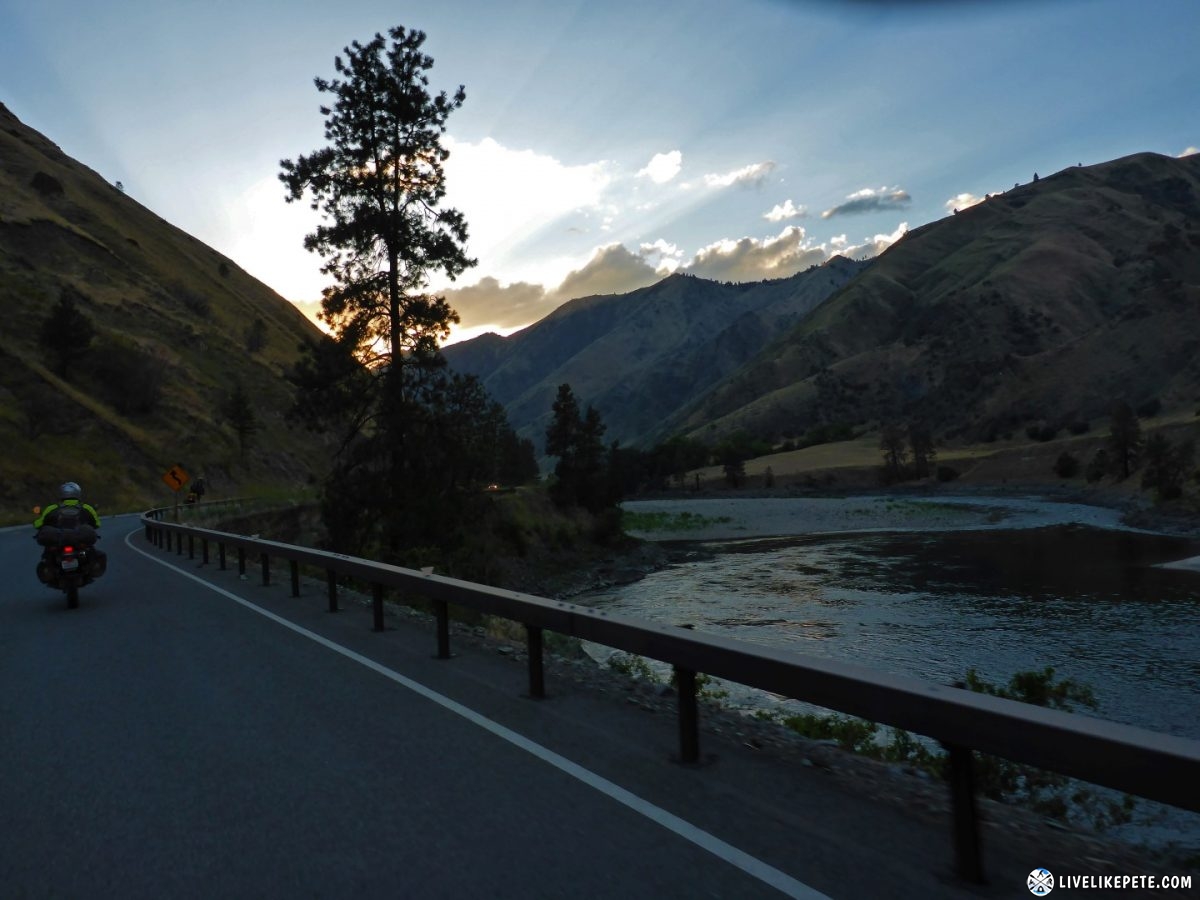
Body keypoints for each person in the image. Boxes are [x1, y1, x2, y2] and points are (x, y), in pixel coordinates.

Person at [33, 481, 107, 581]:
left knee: (48, 553)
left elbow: (38, 524)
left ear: (62, 494)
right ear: (78, 493)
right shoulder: (86, 508)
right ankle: (89, 569)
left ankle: (51, 572)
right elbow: (97, 524)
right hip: (80, 542)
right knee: (93, 552)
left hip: (58, 542)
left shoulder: (52, 508)